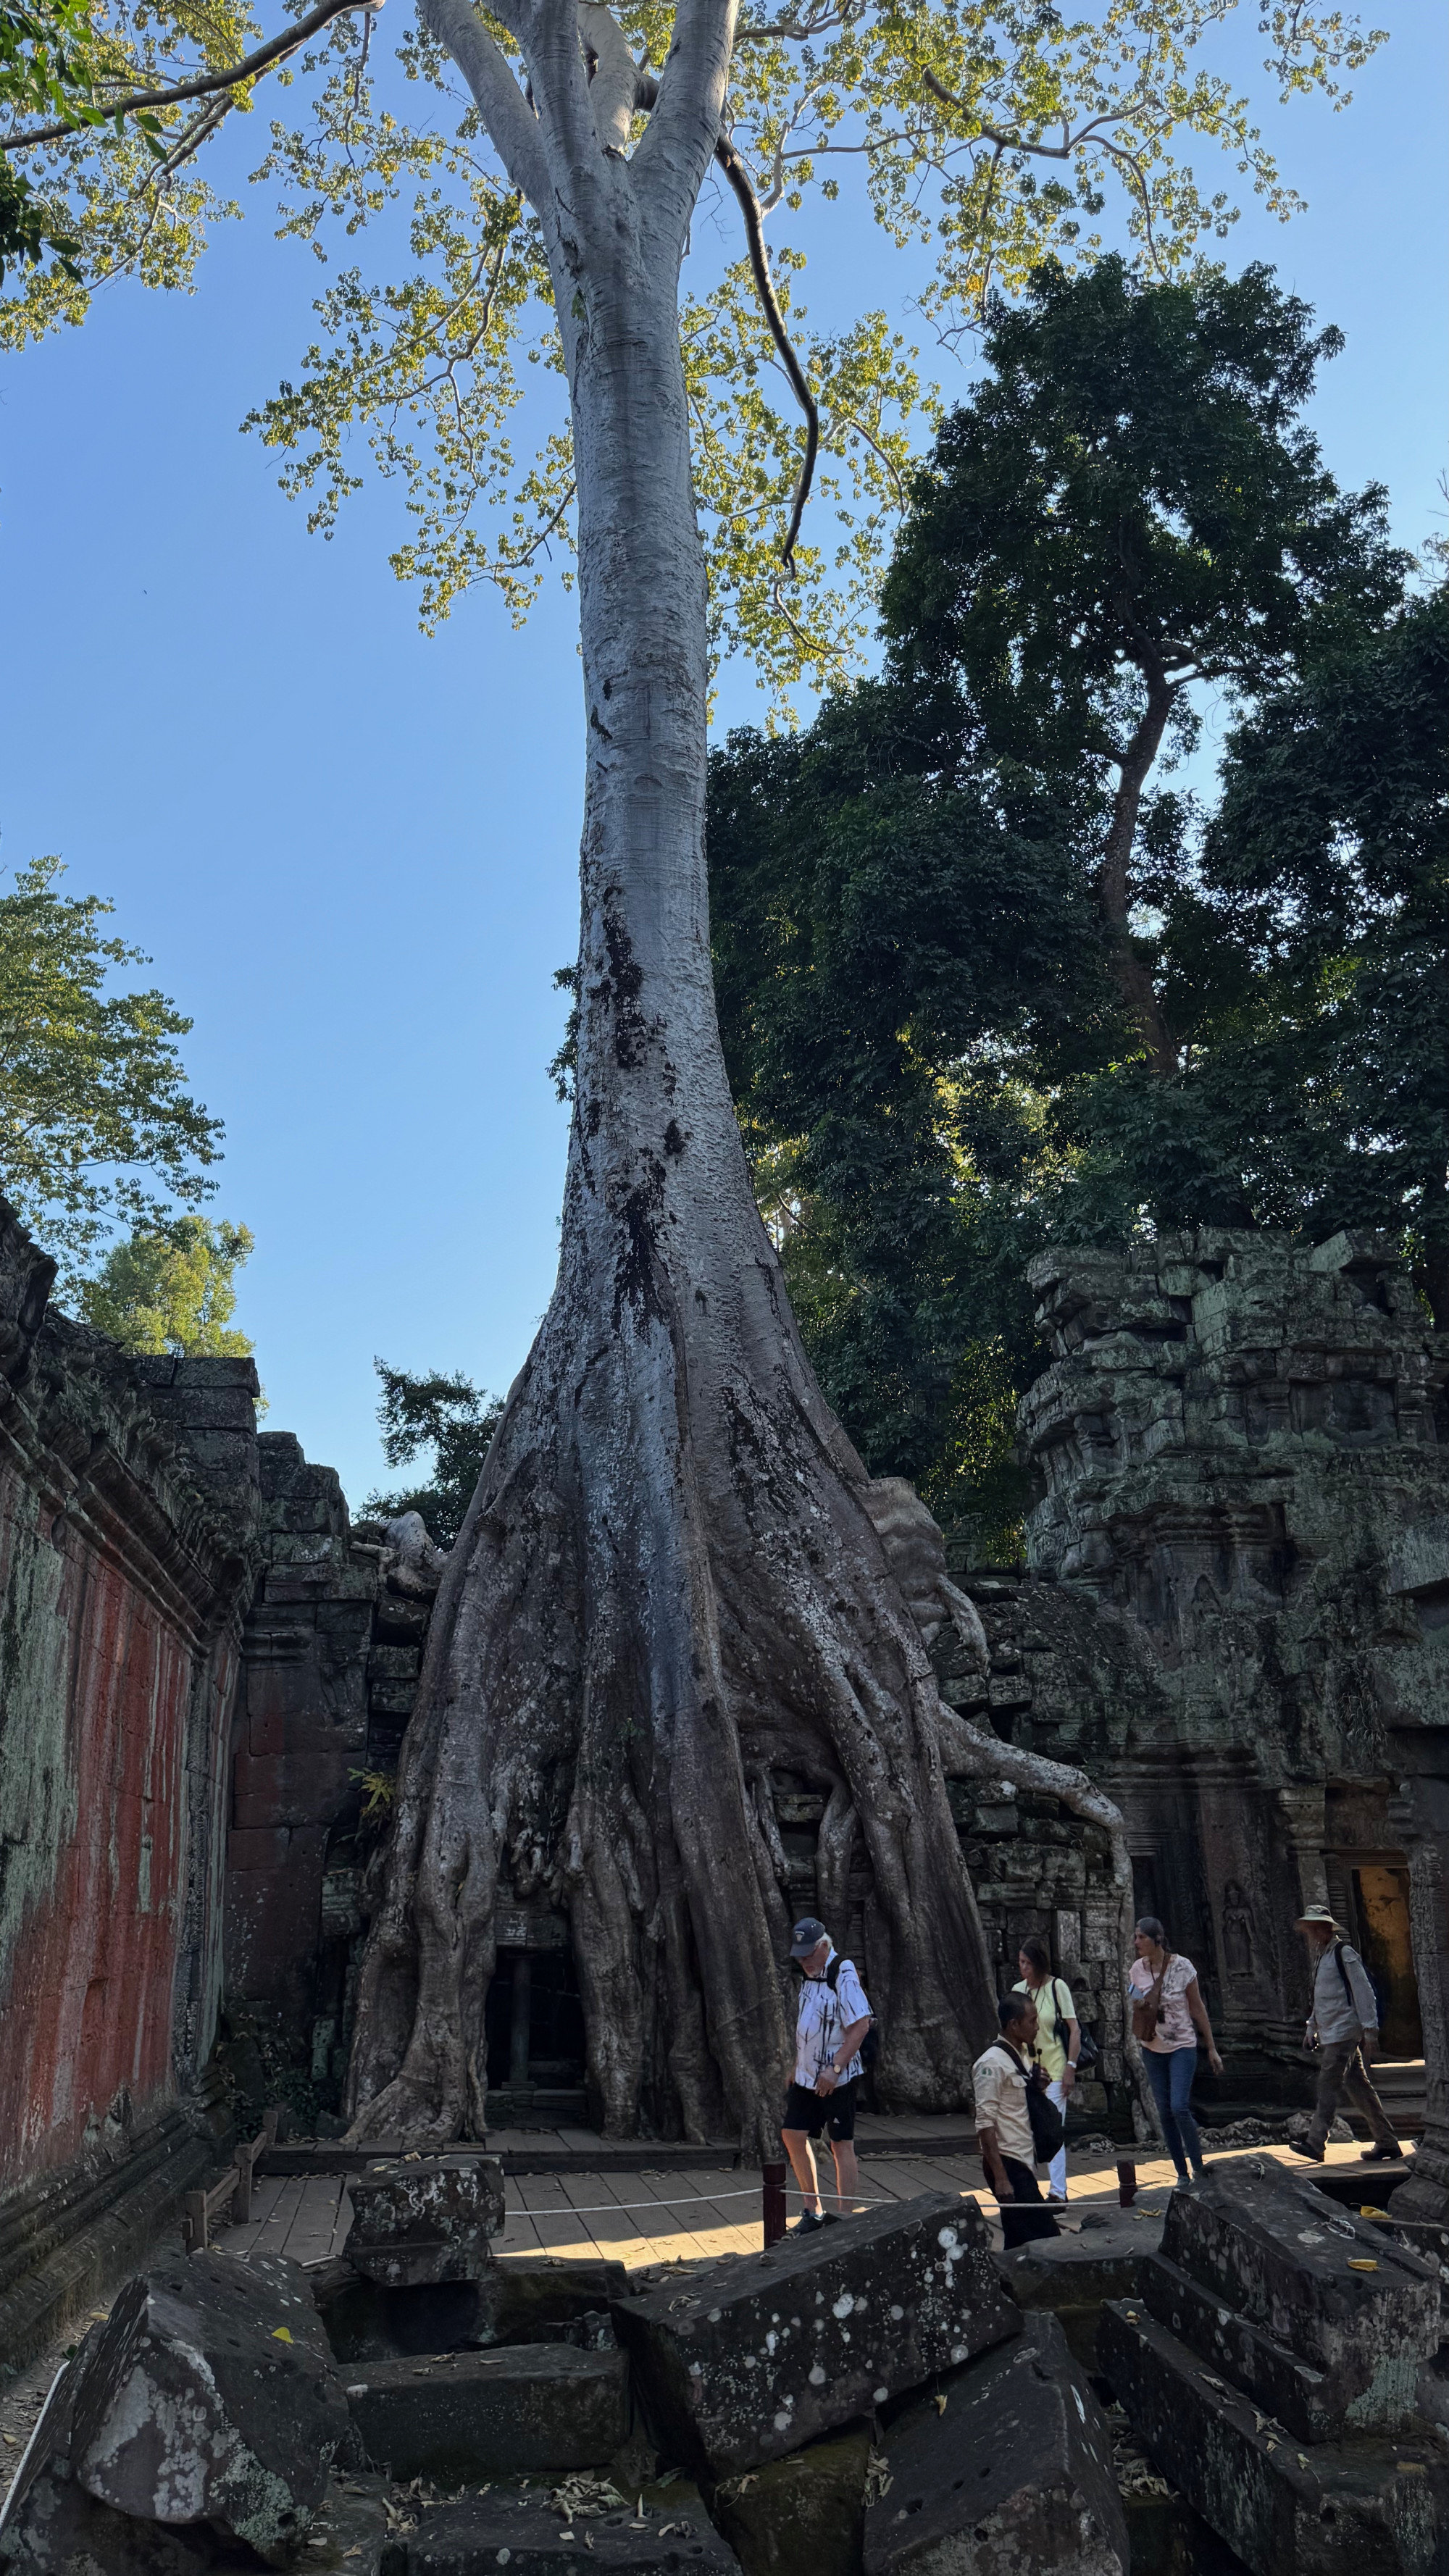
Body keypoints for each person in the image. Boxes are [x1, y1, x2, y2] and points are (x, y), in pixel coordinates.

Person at [780, 1915, 873, 2232]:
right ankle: (812, 2209)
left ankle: (843, 2217)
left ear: (824, 1946)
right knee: (792, 2134)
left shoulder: (842, 1972)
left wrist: (834, 2069)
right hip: (807, 2076)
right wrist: (797, 2065)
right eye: (800, 1956)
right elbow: (809, 2023)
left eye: (809, 1954)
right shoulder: (810, 1975)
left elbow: (861, 2025)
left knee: (840, 2143)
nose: (804, 1961)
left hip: (838, 2077)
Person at [1293, 1904, 1401, 2163]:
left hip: (1344, 2031)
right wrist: (1312, 2027)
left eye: (1312, 1929)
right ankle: (1387, 2142)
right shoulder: (1322, 1957)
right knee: (1359, 2088)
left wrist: (1371, 2030)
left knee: (1327, 2085)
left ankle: (1316, 2142)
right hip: (1331, 2031)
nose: (1310, 1934)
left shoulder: (1344, 1953)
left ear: (1323, 1928)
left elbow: (1363, 1992)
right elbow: (1321, 1998)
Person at [1127, 1915, 1223, 2188]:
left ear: (1157, 1939)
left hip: (1182, 2045)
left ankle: (1199, 2168)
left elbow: (1197, 2007)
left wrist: (1212, 2047)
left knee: (1179, 2106)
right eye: (1135, 1937)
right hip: (1152, 2047)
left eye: (1141, 1937)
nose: (1136, 1943)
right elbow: (1134, 1998)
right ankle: (1181, 2173)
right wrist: (1141, 2006)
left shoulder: (1182, 1967)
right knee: (1164, 2111)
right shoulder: (1137, 1969)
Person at [972, 1992, 1061, 2248]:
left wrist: (1037, 2087)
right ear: (1014, 2025)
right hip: (1008, 2162)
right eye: (1032, 2021)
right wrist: (1001, 2177)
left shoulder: (1019, 2056)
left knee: (1019, 2237)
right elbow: (985, 2123)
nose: (1036, 2027)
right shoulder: (990, 2064)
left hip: (1023, 2160)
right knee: (1045, 2238)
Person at [1014, 1936, 1080, 2204]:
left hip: (1054, 2067)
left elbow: (1074, 2028)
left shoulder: (1057, 1987)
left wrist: (1071, 2067)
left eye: (1028, 1963)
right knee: (1024, 2130)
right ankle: (1029, 2187)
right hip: (1027, 2069)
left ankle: (1058, 2191)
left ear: (1039, 1963)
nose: (1023, 1968)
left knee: (1052, 2128)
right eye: (1020, 1962)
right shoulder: (1019, 1990)